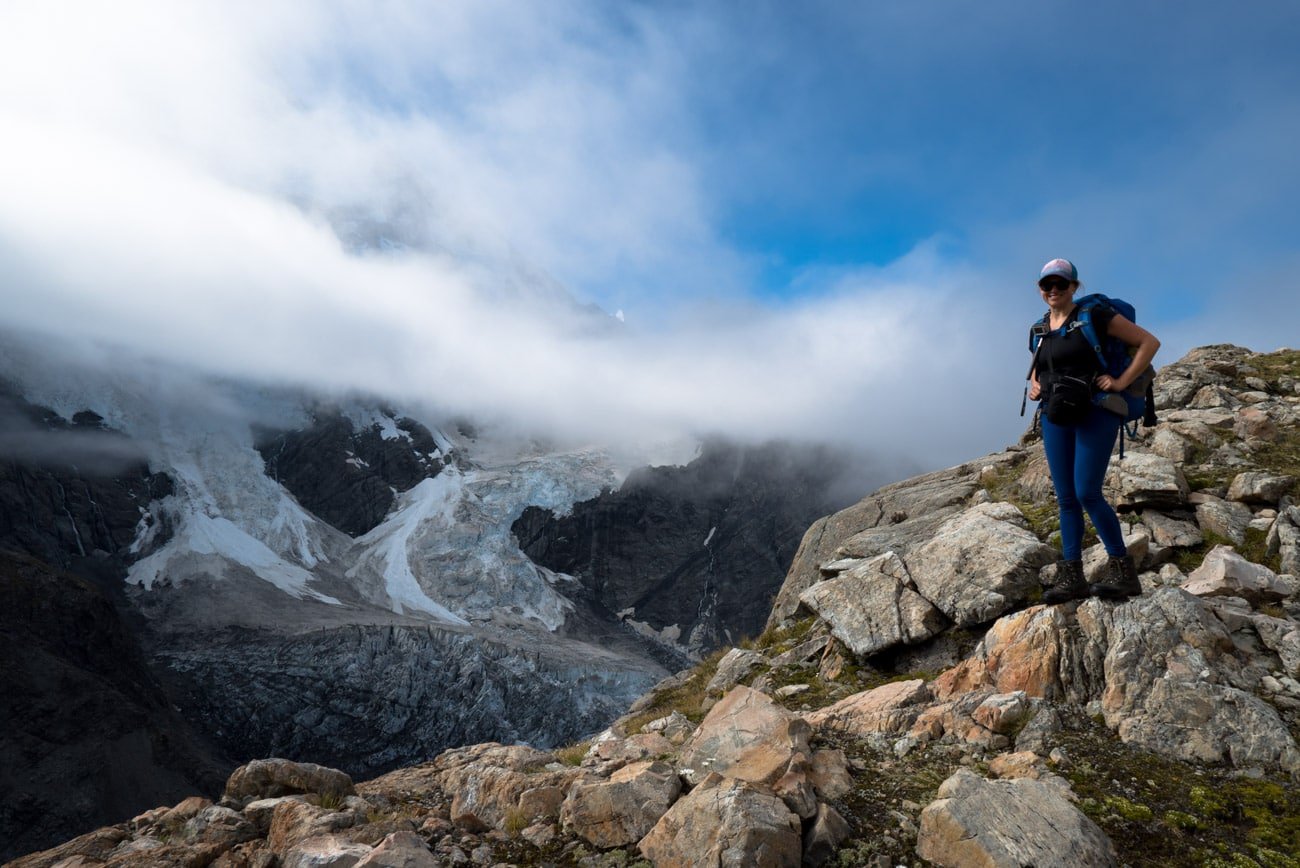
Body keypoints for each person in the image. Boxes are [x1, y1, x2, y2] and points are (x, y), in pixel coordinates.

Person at [1028, 258, 1161, 603]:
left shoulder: (1096, 317)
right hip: (1055, 415)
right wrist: (1033, 385)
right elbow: (1038, 366)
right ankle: (1071, 576)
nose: (1054, 290)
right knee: (1066, 497)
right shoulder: (1039, 329)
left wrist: (1120, 381)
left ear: (1074, 286)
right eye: (1047, 285)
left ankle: (1123, 571)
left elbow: (1149, 343)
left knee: (1087, 492)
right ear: (1040, 289)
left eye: (1061, 284)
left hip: (1095, 411)